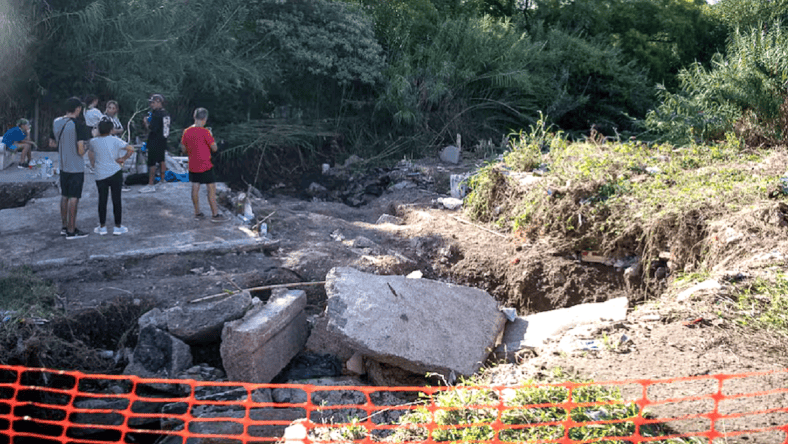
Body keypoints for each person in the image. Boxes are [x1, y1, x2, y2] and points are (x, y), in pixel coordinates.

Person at [52, 97, 91, 239]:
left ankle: (64, 227)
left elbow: (51, 143)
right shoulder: (79, 124)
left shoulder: (57, 122)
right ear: (78, 109)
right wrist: (88, 146)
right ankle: (71, 230)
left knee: (64, 196)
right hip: (76, 167)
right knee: (74, 198)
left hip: (63, 166)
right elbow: (81, 151)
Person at [88, 119, 135, 235]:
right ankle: (117, 227)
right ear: (111, 130)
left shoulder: (93, 142)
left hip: (100, 173)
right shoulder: (115, 140)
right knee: (116, 199)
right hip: (115, 172)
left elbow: (90, 153)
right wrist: (123, 159)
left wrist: (93, 164)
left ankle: (102, 227)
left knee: (102, 200)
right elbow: (131, 149)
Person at [180, 107, 225, 222]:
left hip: (193, 165)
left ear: (194, 117)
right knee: (211, 189)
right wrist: (211, 136)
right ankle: (215, 215)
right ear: (205, 119)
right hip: (205, 164)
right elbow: (214, 148)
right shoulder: (206, 132)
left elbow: (183, 149)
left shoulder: (186, 131)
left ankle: (197, 213)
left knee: (195, 187)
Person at [140, 94, 169, 193]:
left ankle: (150, 184)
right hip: (163, 140)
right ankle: (162, 180)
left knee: (151, 162)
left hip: (155, 141)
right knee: (162, 160)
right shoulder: (165, 113)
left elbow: (151, 128)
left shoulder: (157, 114)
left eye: (153, 102)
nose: (151, 104)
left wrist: (146, 122)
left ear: (159, 102)